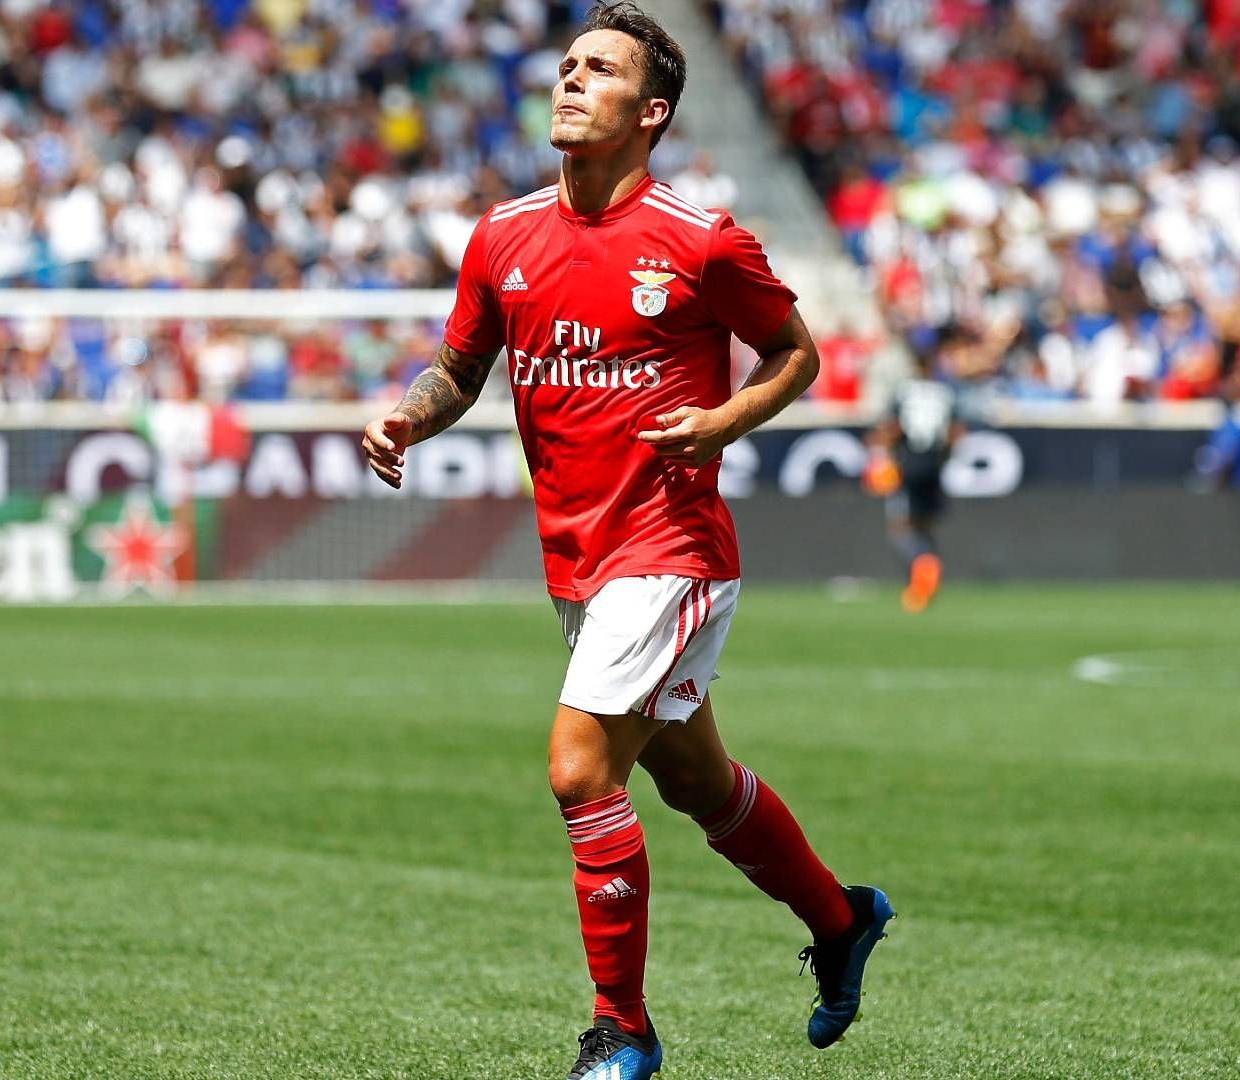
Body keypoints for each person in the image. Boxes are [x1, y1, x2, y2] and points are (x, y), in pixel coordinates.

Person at [360, 6, 891, 1078]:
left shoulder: (699, 241)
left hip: (674, 548)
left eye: (597, 69)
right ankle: (842, 920)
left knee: (576, 770)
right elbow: (461, 368)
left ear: (649, 111)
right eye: (565, 65)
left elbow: (796, 355)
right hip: (579, 562)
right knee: (696, 782)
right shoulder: (502, 237)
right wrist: (411, 414)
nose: (568, 79)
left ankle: (624, 1031)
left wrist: (723, 419)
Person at [864, 344, 965, 613]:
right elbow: (957, 433)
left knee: (901, 527)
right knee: (926, 524)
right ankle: (921, 582)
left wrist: (878, 447)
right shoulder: (947, 393)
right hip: (934, 464)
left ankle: (923, 564)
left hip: (909, 462)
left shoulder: (904, 392)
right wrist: (945, 458)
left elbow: (893, 429)